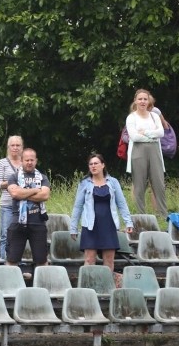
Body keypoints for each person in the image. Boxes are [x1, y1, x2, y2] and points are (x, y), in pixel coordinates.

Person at [69, 153, 133, 283]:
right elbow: (78, 206)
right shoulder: (84, 183)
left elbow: (121, 203)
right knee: (89, 260)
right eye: (91, 164)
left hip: (108, 225)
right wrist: (73, 227)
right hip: (90, 226)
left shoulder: (113, 182)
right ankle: (87, 288)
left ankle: (107, 288)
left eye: (96, 163)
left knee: (109, 261)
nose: (93, 166)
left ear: (103, 165)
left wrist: (128, 222)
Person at [5, 148, 50, 270]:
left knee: (42, 262)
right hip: (18, 223)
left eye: (32, 160)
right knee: (11, 261)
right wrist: (35, 190)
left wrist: (23, 193)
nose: (29, 162)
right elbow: (15, 194)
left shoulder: (43, 178)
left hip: (38, 223)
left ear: (36, 161)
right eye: (26, 160)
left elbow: (45, 195)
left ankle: (41, 287)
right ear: (21, 160)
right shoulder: (13, 177)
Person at [125, 89, 167, 217]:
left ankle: (163, 214)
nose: (143, 101)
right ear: (135, 101)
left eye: (145, 99)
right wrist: (152, 135)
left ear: (149, 101)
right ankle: (141, 216)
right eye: (140, 99)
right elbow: (134, 137)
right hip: (138, 150)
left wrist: (146, 133)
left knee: (158, 182)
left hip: (155, 149)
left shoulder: (154, 116)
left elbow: (161, 133)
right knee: (139, 183)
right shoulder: (131, 117)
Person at [0, 135, 23, 259]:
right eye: (13, 145)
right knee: (5, 235)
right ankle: (4, 263)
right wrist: (13, 180)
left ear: (22, 147)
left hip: (23, 204)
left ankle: (18, 263)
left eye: (18, 145)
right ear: (8, 147)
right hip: (7, 204)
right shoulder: (2, 162)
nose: (15, 148)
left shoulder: (25, 161)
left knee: (20, 234)